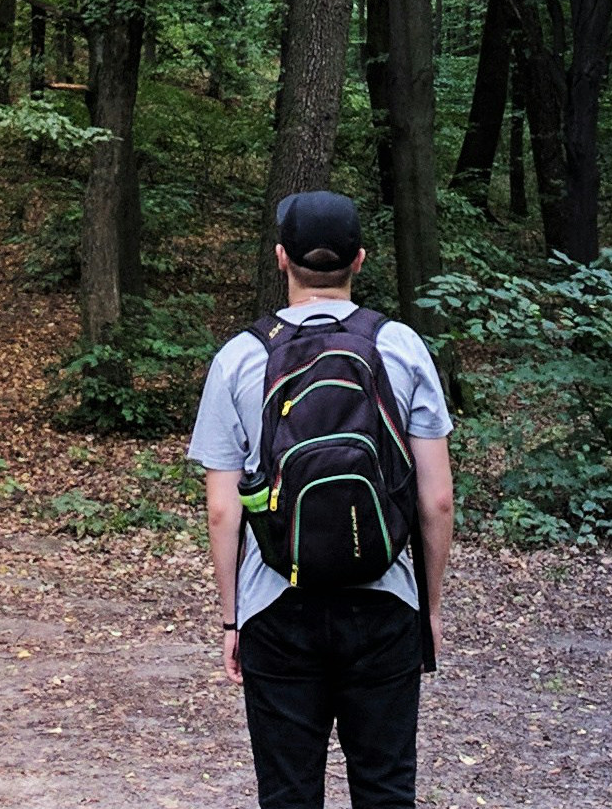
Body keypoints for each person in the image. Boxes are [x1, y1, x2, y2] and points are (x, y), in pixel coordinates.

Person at [189, 190, 456, 809]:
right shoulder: (402, 347)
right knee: (386, 789)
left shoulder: (240, 357)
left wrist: (233, 619)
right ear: (359, 260)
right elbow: (436, 499)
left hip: (275, 604)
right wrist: (429, 610)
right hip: (384, 599)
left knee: (289, 795)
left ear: (281, 258)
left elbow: (223, 508)